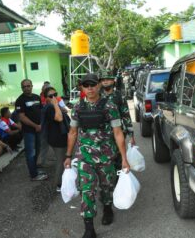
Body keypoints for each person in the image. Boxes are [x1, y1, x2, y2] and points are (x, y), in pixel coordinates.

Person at [64, 73, 130, 238]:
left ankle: (107, 208)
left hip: (106, 156)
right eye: (86, 85)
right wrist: (68, 155)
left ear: (98, 85)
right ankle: (89, 228)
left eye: (93, 84)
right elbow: (72, 132)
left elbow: (117, 132)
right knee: (87, 190)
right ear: (82, 87)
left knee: (106, 187)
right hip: (85, 157)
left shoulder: (109, 106)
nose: (90, 88)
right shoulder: (78, 108)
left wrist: (124, 158)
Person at [100, 70, 136, 172]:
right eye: (103, 80)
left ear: (113, 81)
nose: (105, 81)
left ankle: (118, 182)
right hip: (101, 135)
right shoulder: (97, 96)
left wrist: (131, 136)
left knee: (118, 160)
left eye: (108, 79)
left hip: (118, 133)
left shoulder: (119, 96)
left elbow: (126, 116)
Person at [15, 79, 48, 181]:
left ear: (32, 86)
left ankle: (34, 169)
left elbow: (41, 111)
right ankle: (34, 175)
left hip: (38, 129)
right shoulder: (20, 100)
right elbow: (22, 117)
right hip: (29, 131)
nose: (26, 88)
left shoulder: (37, 97)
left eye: (28, 86)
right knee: (30, 153)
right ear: (22, 88)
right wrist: (35, 126)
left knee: (37, 150)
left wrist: (41, 124)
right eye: (24, 86)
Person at [43, 86, 69, 191]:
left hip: (61, 136)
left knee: (63, 160)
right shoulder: (49, 107)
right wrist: (55, 104)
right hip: (57, 138)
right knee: (60, 162)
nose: (54, 97)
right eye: (51, 96)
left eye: (55, 94)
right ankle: (58, 184)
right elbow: (59, 118)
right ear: (46, 98)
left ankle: (63, 181)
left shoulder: (54, 106)